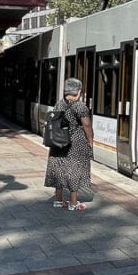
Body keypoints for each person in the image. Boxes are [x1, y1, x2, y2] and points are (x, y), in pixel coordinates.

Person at [44, 77, 94, 210]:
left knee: (59, 170)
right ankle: (73, 203)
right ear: (78, 92)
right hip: (74, 144)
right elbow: (87, 125)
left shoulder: (59, 103)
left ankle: (59, 201)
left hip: (58, 142)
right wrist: (90, 141)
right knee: (74, 171)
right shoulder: (79, 106)